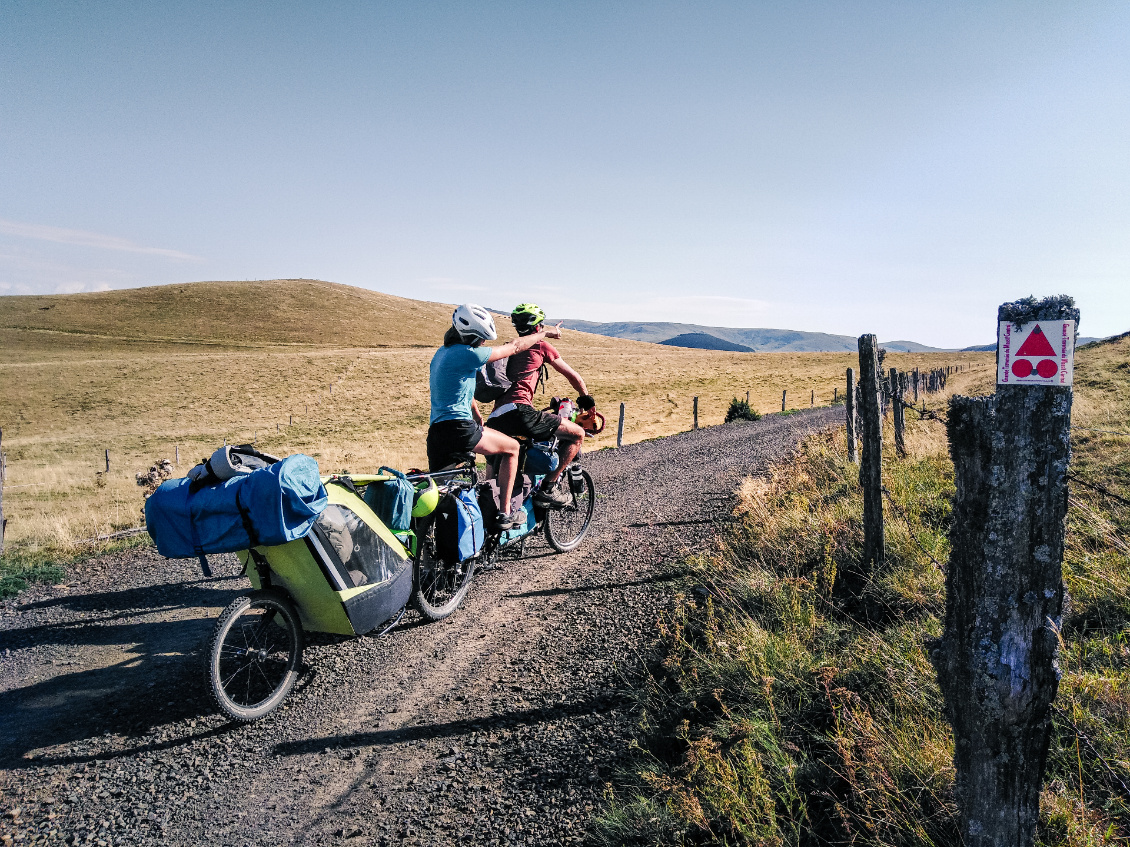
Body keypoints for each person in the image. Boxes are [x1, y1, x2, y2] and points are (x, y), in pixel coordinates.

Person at [427, 303, 562, 530]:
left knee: (442, 492)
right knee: (512, 449)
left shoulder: (441, 354)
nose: (483, 344)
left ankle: (438, 547)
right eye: (481, 339)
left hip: (436, 434)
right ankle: (505, 513)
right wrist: (545, 333)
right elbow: (516, 346)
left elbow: (462, 390)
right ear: (471, 337)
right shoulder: (469, 354)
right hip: (460, 429)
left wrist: (477, 415)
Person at [485, 303, 595, 507]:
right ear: (538, 326)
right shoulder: (541, 346)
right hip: (519, 412)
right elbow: (574, 377)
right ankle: (548, 489)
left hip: (495, 418)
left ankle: (494, 508)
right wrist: (587, 401)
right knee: (577, 435)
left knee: (495, 463)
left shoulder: (511, 346)